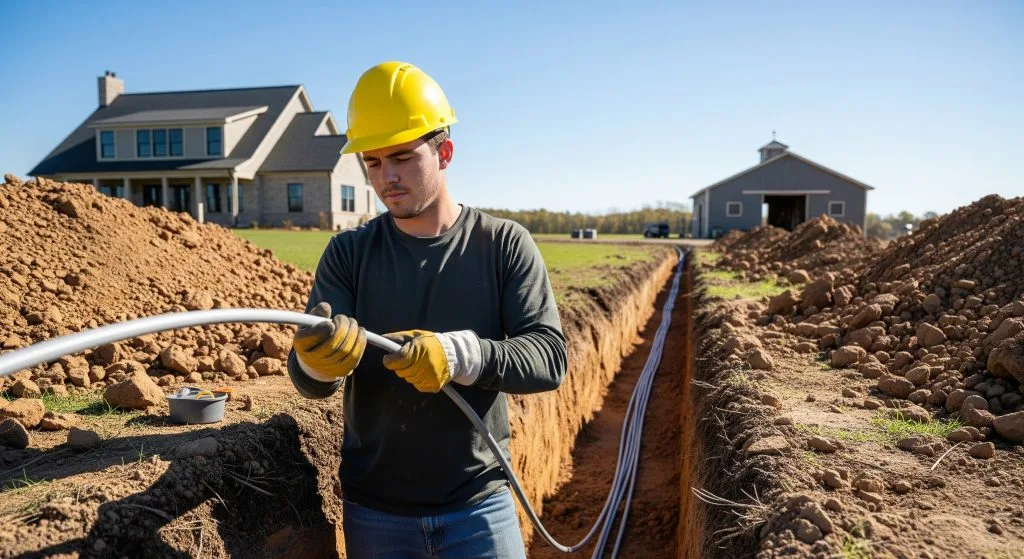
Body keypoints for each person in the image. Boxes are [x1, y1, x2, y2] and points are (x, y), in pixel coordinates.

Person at [285, 61, 568, 558]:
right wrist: (314, 361)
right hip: (376, 514)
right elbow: (312, 379)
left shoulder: (503, 245)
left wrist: (460, 355)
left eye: (402, 157)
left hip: (479, 507)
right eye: (372, 162)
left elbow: (549, 359)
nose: (386, 177)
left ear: (445, 153)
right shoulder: (348, 254)